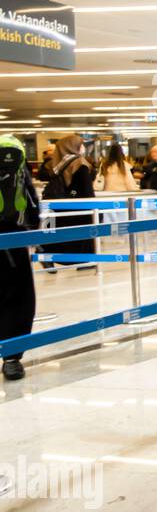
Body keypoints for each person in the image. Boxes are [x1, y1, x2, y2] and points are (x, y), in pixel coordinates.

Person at [0, 134, 40, 380]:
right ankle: (12, 359)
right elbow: (32, 203)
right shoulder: (17, 160)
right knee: (18, 297)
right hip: (14, 241)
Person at [39, 134, 96, 268]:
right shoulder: (79, 163)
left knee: (56, 230)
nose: (82, 147)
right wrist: (93, 205)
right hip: (77, 206)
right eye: (80, 144)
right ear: (73, 146)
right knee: (81, 232)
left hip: (57, 203)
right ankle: (83, 261)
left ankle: (47, 253)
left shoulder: (56, 162)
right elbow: (85, 188)